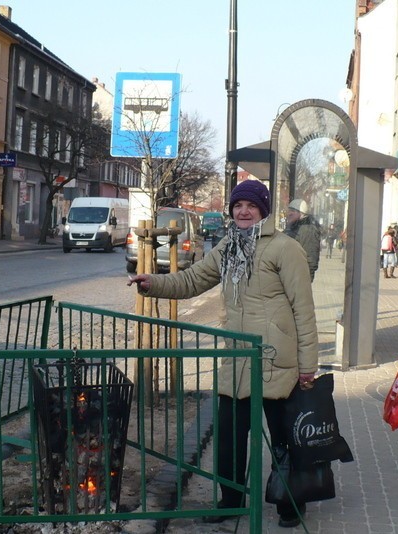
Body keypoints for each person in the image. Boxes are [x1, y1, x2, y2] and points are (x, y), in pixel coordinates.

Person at [128, 179, 319, 528]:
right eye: (237, 206)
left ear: (263, 210)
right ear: (231, 211)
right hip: (237, 358)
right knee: (230, 438)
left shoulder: (284, 248)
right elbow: (192, 280)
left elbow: (303, 310)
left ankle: (291, 502)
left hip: (276, 358)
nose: (243, 211)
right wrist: (153, 283)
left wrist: (308, 366)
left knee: (283, 438)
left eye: (251, 206)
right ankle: (231, 501)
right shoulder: (228, 247)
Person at [285, 198, 321, 281]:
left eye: (292, 211)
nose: (289, 214)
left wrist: (306, 280)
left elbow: (311, 256)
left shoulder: (308, 230)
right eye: (289, 210)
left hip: (298, 276)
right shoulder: (294, 227)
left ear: (301, 213)